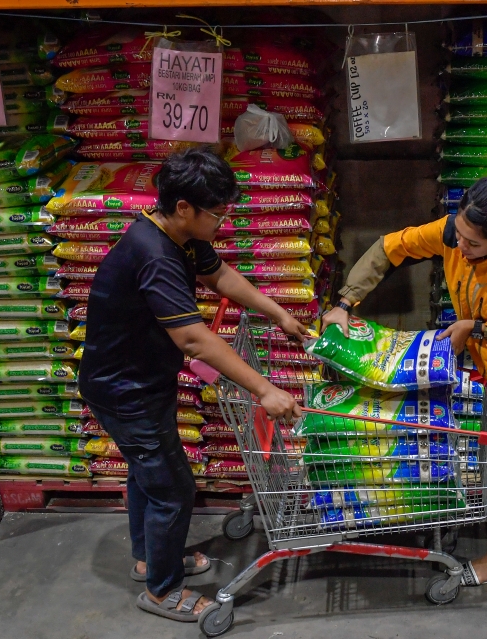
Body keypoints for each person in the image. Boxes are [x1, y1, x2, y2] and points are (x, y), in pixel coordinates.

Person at [78, 148, 307, 623]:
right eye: (217, 214)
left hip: (141, 380)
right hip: (125, 391)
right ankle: (162, 590)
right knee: (172, 487)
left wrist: (278, 312)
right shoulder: (155, 254)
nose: (221, 222)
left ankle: (150, 558)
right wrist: (264, 389)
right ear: (184, 208)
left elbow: (218, 274)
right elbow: (193, 340)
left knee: (151, 473)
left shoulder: (176, 234)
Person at [321, 174, 487, 586]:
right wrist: (344, 302)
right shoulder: (454, 232)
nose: (459, 247)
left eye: (473, 244)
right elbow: (389, 248)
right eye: (460, 235)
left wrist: (478, 328)